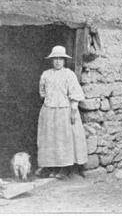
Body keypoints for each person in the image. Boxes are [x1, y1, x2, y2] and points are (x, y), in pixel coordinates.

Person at [36, 45, 87, 179]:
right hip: (49, 110)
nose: (58, 61)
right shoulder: (46, 74)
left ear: (64, 61)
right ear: (51, 60)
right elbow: (42, 92)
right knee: (50, 139)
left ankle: (65, 168)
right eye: (55, 59)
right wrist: (49, 102)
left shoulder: (69, 74)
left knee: (64, 139)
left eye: (60, 59)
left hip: (65, 110)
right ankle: (51, 167)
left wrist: (73, 111)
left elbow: (75, 93)